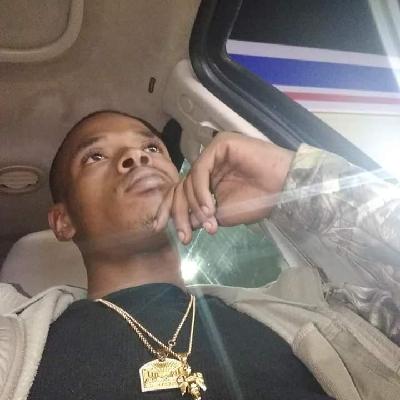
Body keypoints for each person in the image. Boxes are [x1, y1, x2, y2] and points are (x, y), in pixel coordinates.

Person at [0, 110, 399, 400]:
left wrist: (293, 178)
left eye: (151, 147)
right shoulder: (16, 340)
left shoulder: (310, 314)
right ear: (63, 221)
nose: (136, 158)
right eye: (95, 156)